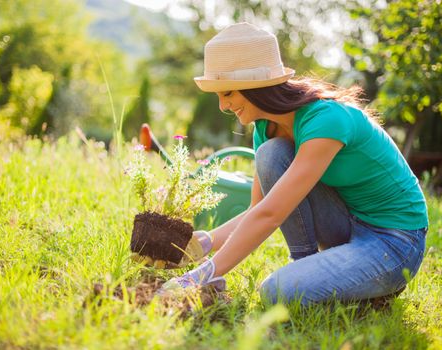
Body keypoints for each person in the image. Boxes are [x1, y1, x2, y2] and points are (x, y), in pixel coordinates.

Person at [160, 22, 428, 305]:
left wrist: (200, 276)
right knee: (271, 153)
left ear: (256, 89)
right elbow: (257, 209)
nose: (222, 106)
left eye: (228, 93)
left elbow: (272, 214)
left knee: (277, 292)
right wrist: (203, 243)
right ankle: (310, 267)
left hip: (394, 241)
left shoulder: (326, 119)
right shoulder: (265, 128)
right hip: (347, 221)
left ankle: (370, 284)